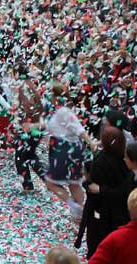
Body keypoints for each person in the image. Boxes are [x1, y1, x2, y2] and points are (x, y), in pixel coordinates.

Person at [39, 83, 96, 221]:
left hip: (65, 150)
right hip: (65, 148)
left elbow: (79, 128)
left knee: (51, 183)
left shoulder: (64, 112)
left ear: (55, 96)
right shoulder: (58, 111)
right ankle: (80, 213)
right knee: (73, 182)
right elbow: (52, 127)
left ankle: (76, 207)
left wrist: (91, 142)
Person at [75, 127, 130, 259]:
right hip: (120, 210)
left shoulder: (101, 161)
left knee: (97, 238)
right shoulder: (126, 159)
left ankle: (94, 258)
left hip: (100, 209)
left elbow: (94, 187)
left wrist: (87, 183)